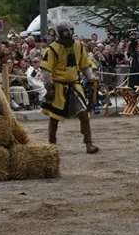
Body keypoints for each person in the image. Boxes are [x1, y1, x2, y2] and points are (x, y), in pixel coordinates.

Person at [39, 19, 100, 154]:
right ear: (60, 32)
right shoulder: (53, 49)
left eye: (71, 30)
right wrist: (48, 86)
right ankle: (51, 145)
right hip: (58, 87)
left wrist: (91, 78)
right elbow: (46, 69)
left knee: (84, 114)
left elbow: (84, 64)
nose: (69, 33)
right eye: (66, 31)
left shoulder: (79, 46)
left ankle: (88, 143)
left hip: (74, 86)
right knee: (54, 117)